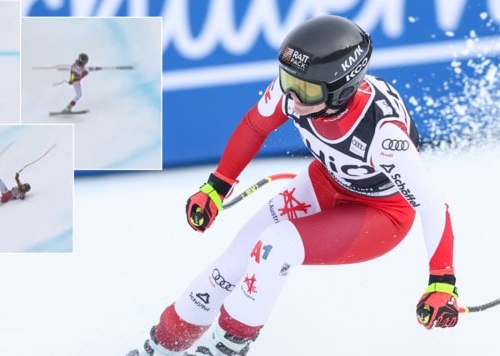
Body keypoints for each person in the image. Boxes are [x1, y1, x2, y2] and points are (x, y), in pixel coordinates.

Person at [129, 15, 459, 355]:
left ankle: (226, 347)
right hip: (326, 183)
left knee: (275, 246)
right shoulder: (297, 90)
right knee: (234, 260)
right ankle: (160, 346)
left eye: (306, 90)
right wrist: (217, 186)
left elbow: (432, 204)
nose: (293, 97)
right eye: (288, 80)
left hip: (381, 214)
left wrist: (442, 281)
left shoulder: (382, 134)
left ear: (342, 89)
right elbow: (254, 126)